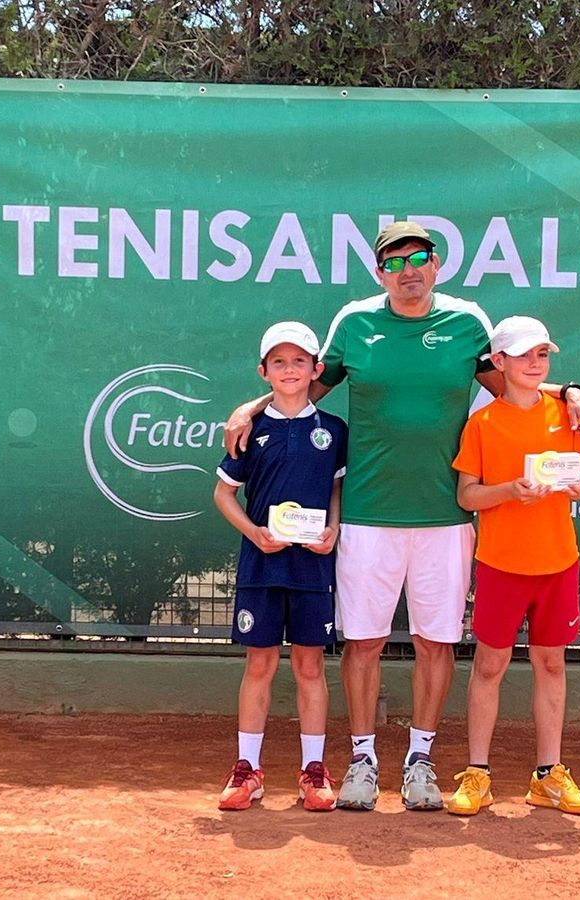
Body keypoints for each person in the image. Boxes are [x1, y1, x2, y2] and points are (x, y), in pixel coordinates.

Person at [223, 222, 580, 812]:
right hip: (368, 517)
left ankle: (421, 758)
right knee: (363, 643)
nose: (408, 270)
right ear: (380, 273)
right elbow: (301, 389)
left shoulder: (467, 323)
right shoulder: (354, 323)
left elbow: (517, 386)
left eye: (419, 258)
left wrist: (567, 389)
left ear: (437, 264)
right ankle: (364, 761)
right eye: (394, 262)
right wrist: (251, 404)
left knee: (434, 643)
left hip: (445, 519)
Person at [445, 315, 580, 816]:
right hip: (500, 565)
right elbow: (467, 494)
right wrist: (510, 491)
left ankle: (548, 776)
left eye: (543, 355)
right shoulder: (482, 424)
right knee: (489, 666)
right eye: (525, 355)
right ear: (500, 362)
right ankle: (478, 774)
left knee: (551, 664)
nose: (536, 363)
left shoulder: (566, 414)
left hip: (558, 562)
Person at [212, 322, 348, 812]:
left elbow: (335, 489)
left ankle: (314, 771)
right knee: (261, 664)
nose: (289, 370)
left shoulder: (333, 430)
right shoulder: (250, 429)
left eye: (299, 361)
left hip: (313, 567)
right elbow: (223, 493)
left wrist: (332, 530)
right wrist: (254, 534)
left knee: (311, 667)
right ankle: (247, 771)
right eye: (278, 362)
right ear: (263, 371)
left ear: (316, 369)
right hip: (261, 566)